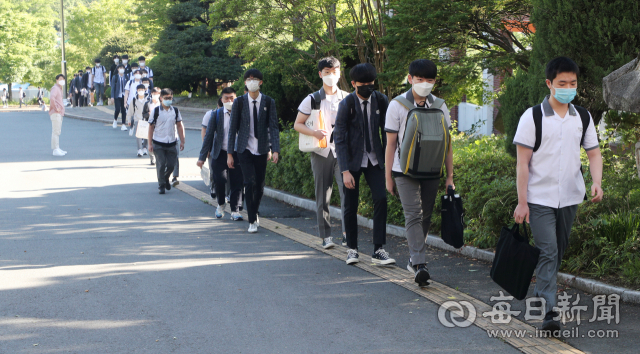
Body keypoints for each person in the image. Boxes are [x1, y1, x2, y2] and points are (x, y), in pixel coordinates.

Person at [512, 56, 603, 333]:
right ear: (549, 84)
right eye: (562, 83)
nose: (567, 87)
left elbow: (594, 153)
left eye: (572, 83)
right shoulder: (533, 116)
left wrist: (596, 181)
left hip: (571, 196)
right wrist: (522, 202)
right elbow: (522, 163)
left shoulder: (583, 117)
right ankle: (550, 311)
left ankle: (543, 292)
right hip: (539, 198)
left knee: (556, 251)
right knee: (548, 251)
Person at [384, 59, 454, 286]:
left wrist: (450, 175)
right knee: (413, 214)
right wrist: (388, 177)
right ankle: (420, 264)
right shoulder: (397, 105)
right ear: (410, 78)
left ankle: (415, 259)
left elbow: (448, 143)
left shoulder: (441, 106)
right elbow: (391, 144)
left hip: (432, 169)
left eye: (430, 80)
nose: (425, 83)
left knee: (425, 216)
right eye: (420, 79)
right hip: (403, 171)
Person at [334, 63, 395, 266]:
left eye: (371, 83)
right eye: (363, 84)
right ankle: (352, 249)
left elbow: (388, 133)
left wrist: (390, 163)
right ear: (353, 84)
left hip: (375, 159)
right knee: (350, 205)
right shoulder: (347, 104)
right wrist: (344, 171)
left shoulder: (381, 100)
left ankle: (379, 249)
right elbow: (340, 139)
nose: (368, 87)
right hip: (352, 161)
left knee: (381, 199)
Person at [294, 56, 348, 249]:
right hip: (321, 151)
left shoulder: (347, 98)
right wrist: (314, 133)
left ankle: (347, 234)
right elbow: (297, 124)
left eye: (334, 72)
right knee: (322, 196)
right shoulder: (312, 99)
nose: (331, 76)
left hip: (343, 153)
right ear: (320, 74)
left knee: (347, 194)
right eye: (327, 72)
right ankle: (326, 236)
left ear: (340, 73)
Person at [227, 69, 280, 233]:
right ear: (245, 82)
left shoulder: (269, 102)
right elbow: (232, 128)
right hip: (244, 148)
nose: (252, 81)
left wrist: (275, 149)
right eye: (249, 79)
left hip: (262, 149)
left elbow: (274, 127)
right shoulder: (240, 102)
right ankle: (251, 219)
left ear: (261, 82)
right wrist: (230, 153)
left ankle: (255, 211)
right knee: (249, 182)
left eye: (255, 79)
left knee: (260, 185)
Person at [198, 87, 244, 221]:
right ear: (222, 100)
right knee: (220, 180)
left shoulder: (242, 114)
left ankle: (235, 210)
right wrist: (202, 157)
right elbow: (208, 136)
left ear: (236, 99)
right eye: (226, 98)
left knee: (237, 182)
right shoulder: (216, 114)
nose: (229, 100)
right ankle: (221, 204)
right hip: (220, 153)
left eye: (232, 98)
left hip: (237, 153)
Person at [148, 88, 185, 194]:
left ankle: (165, 178)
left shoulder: (175, 111)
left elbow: (179, 125)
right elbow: (150, 127)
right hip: (158, 142)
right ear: (161, 98)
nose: (168, 100)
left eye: (170, 98)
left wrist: (182, 140)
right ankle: (161, 185)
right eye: (166, 98)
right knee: (161, 163)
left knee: (172, 165)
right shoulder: (156, 111)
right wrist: (150, 143)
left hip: (172, 142)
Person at [126, 84, 149, 156]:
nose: (141, 91)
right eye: (139, 90)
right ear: (137, 91)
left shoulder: (148, 99)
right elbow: (130, 111)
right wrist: (129, 120)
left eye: (142, 90)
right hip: (138, 119)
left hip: (147, 119)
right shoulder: (134, 100)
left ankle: (145, 147)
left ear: (145, 90)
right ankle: (139, 149)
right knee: (138, 135)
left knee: (146, 135)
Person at [142, 87, 162, 164]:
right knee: (150, 141)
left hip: (159, 125)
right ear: (151, 94)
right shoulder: (147, 104)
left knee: (158, 142)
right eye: (153, 94)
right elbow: (144, 114)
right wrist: (149, 114)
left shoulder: (161, 104)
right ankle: (152, 158)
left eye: (157, 94)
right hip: (150, 125)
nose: (155, 95)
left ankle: (158, 157)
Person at [49, 74, 67, 156]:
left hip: (59, 113)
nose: (62, 80)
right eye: (60, 79)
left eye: (63, 79)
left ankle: (57, 148)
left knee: (58, 131)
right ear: (56, 80)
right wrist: (56, 108)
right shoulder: (55, 88)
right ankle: (55, 150)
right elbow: (52, 98)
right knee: (56, 131)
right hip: (56, 113)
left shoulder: (59, 89)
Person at [110, 64, 128, 130]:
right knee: (117, 109)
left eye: (123, 68)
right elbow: (113, 88)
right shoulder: (115, 77)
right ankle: (115, 120)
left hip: (124, 95)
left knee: (124, 110)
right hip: (117, 95)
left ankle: (123, 124)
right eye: (120, 68)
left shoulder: (126, 77)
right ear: (117, 69)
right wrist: (112, 97)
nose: (122, 69)